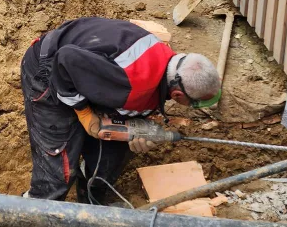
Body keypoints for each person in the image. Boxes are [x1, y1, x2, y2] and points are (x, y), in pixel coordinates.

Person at [21, 17, 221, 203]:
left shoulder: (166, 61)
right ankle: (30, 214)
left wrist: (136, 130)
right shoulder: (133, 83)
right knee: (59, 170)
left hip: (88, 70)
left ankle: (91, 198)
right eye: (194, 103)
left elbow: (126, 102)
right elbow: (66, 59)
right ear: (178, 95)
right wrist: (83, 112)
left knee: (113, 154)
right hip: (50, 69)